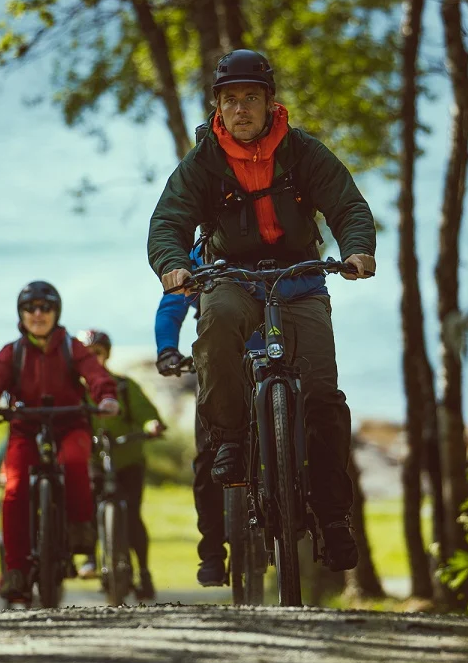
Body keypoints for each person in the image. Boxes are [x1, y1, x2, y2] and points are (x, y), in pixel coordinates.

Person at [147, 48, 377, 582]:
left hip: (301, 282)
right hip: (231, 280)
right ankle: (229, 440)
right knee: (217, 325)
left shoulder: (302, 152)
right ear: (218, 109)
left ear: (271, 101)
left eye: (251, 97)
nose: (241, 109)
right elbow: (169, 221)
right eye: (230, 100)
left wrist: (358, 249)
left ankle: (332, 516)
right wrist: (174, 265)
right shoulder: (204, 161)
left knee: (323, 396)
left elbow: (348, 206)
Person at [0, 280, 120, 604]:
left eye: (45, 308)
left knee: (75, 463)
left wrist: (105, 396)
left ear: (56, 312)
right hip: (25, 428)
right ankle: (15, 570)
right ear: (21, 314)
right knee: (14, 489)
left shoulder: (71, 347)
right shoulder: (13, 352)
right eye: (30, 308)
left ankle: (80, 529)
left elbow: (95, 373)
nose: (38, 314)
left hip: (70, 423)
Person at [155, 245, 262, 587]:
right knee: (208, 454)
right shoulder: (199, 255)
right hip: (216, 366)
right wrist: (167, 350)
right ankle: (213, 553)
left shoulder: (278, 242)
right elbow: (172, 306)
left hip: (270, 361)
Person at [78, 329, 166, 601]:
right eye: (87, 356)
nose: (94, 360)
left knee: (133, 515)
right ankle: (91, 558)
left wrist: (151, 425)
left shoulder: (124, 386)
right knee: (88, 505)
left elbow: (146, 414)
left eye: (98, 354)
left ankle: (144, 571)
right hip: (93, 460)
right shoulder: (75, 393)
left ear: (106, 355)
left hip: (127, 459)